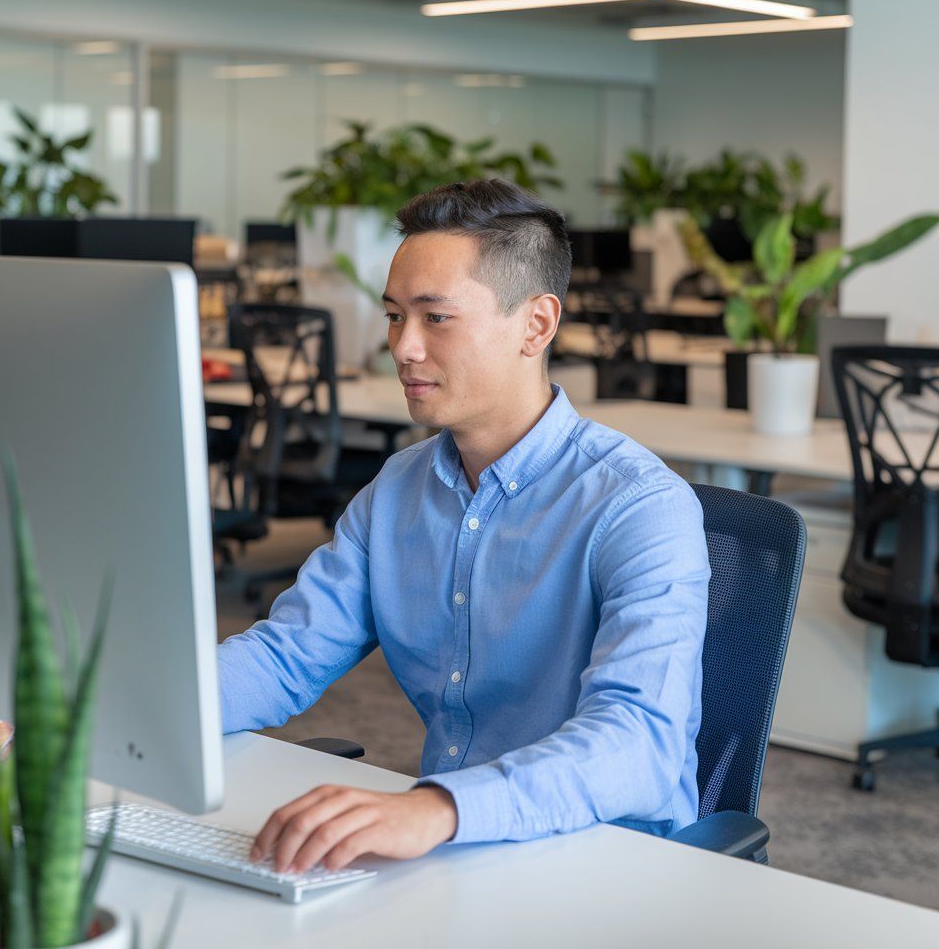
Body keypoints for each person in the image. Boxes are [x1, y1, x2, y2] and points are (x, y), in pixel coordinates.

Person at [218, 178, 710, 875]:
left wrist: (438, 808)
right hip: (459, 848)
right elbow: (285, 656)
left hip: (605, 860)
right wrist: (107, 717)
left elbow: (637, 743)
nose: (404, 348)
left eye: (435, 318)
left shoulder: (640, 506)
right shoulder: (397, 491)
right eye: (393, 316)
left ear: (536, 325)